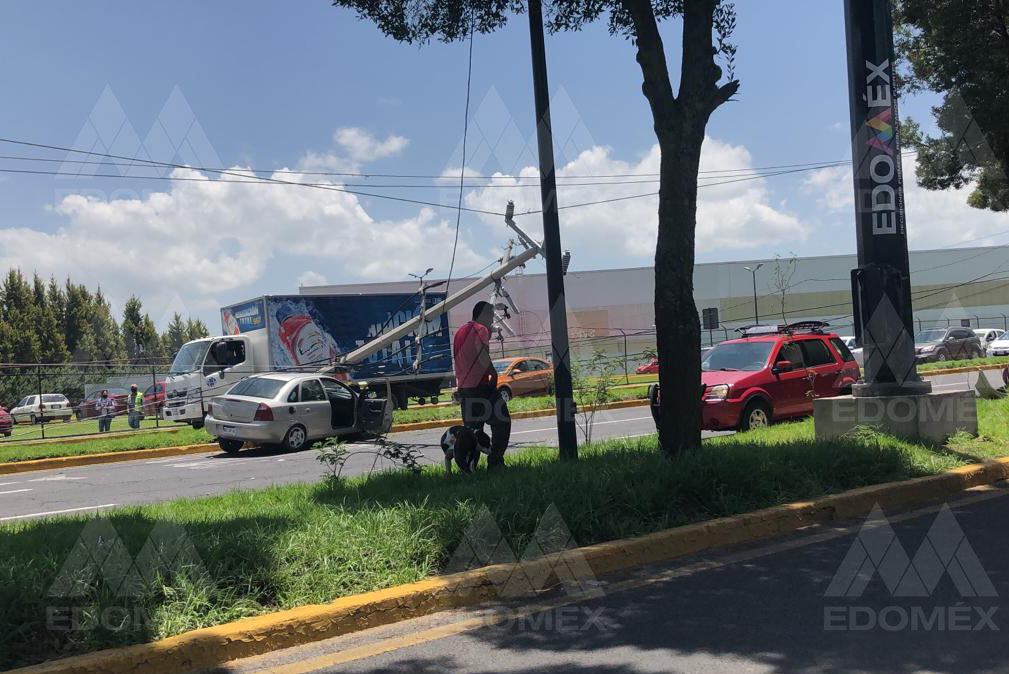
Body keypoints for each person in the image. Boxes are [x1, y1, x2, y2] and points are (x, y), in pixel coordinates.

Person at [452, 301, 510, 472]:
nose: (492, 320)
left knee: (473, 430)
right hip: (480, 386)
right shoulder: (480, 329)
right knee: (502, 421)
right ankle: (495, 462)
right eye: (491, 316)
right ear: (484, 315)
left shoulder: (460, 331)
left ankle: (469, 468)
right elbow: (481, 352)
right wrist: (493, 372)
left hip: (464, 388)